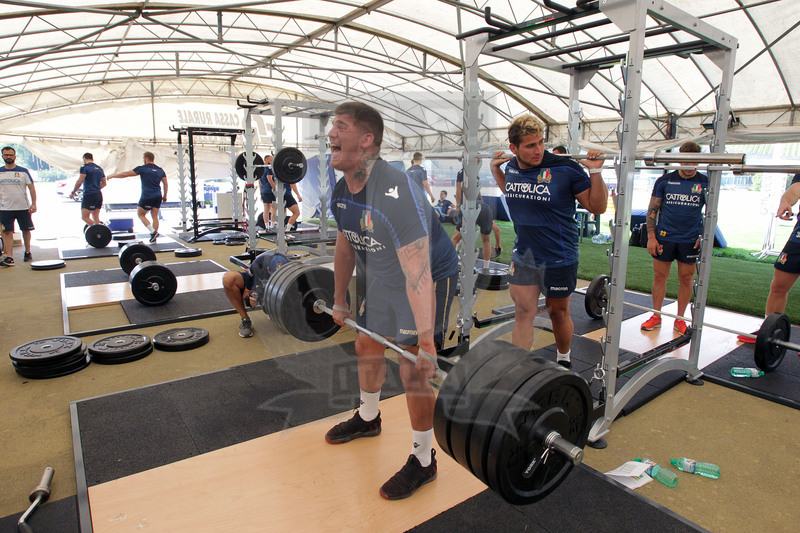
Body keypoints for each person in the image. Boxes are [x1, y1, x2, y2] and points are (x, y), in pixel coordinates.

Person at [326, 102, 459, 500]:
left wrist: (427, 343)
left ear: (367, 141)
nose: (331, 134)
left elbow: (418, 273)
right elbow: (346, 244)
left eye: (341, 127)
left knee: (411, 366)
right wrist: (338, 300)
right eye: (332, 126)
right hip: (384, 276)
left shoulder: (397, 190)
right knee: (365, 342)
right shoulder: (341, 189)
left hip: (426, 277)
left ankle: (423, 459)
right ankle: (369, 417)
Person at [490, 114, 607, 367]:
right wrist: (494, 169)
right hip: (524, 255)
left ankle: (564, 359)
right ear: (514, 148)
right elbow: (511, 189)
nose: (538, 150)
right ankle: (519, 369)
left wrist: (595, 171)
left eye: (540, 143)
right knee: (523, 312)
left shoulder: (565, 168)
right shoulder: (511, 167)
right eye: (530, 145)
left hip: (559, 256)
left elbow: (597, 207)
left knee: (558, 312)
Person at [640, 141, 708, 335]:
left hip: (690, 239)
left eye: (693, 163)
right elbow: (652, 210)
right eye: (685, 162)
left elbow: (712, 212)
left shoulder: (705, 182)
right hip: (664, 237)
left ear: (699, 161)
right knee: (660, 276)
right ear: (679, 159)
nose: (689, 167)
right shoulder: (665, 181)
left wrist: (703, 235)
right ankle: (656, 315)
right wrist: (651, 237)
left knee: (686, 279)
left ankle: (680, 319)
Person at [738, 173, 800, 343]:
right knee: (778, 286)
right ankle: (769, 330)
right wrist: (785, 202)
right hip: (799, 237)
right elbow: (795, 190)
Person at [222, 250, 290, 337]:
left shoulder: (291, 270)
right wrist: (250, 300)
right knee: (229, 278)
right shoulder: (259, 264)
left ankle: (275, 313)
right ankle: (245, 319)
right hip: (263, 290)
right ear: (268, 269)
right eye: (274, 275)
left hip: (277, 295)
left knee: (287, 329)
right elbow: (247, 291)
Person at [107, 152, 168, 243]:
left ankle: (153, 232)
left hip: (147, 196)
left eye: (144, 158)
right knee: (154, 216)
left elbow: (126, 174)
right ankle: (154, 236)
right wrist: (165, 196)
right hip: (158, 196)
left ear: (146, 159)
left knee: (141, 214)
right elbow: (165, 184)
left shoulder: (142, 168)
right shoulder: (160, 170)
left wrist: (113, 175)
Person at [455, 161, 503, 259]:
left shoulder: (475, 174)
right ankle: (486, 266)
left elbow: (477, 189)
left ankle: (452, 260)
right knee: (485, 240)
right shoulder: (462, 172)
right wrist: (458, 204)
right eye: (477, 160)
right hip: (473, 206)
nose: (478, 162)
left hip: (473, 206)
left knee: (457, 238)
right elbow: (459, 189)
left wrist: (480, 200)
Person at [0, 146, 37, 266]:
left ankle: (27, 251)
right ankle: (10, 257)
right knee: (7, 233)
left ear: (15, 156)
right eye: (6, 155)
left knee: (26, 230)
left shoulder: (23, 171)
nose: (8, 157)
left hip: (23, 207)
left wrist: (34, 203)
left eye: (10, 155)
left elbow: (31, 188)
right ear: (2, 156)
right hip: (5, 208)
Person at [451, 200, 495, 269]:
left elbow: (460, 235)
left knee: (455, 238)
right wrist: (498, 243)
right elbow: (497, 230)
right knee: (486, 240)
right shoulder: (485, 207)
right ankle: (486, 267)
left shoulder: (461, 210)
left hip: (470, 208)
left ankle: (450, 262)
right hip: (486, 209)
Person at [70, 153, 106, 226]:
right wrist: (96, 188)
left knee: (85, 217)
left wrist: (73, 192)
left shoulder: (85, 168)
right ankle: (98, 234)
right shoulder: (100, 169)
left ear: (84, 159)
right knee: (96, 217)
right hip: (98, 195)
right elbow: (104, 183)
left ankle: (99, 229)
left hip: (89, 195)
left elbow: (80, 181)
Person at [264, 166, 302, 232]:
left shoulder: (279, 172)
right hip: (286, 194)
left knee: (282, 214)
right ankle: (287, 230)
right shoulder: (288, 173)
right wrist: (298, 195)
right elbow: (293, 185)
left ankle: (281, 231)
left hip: (280, 194)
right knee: (296, 213)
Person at [258, 154, 276, 230]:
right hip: (269, 191)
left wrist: (260, 191)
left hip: (263, 191)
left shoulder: (260, 169)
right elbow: (269, 179)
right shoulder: (268, 169)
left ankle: (267, 227)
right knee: (274, 208)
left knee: (266, 209)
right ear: (266, 160)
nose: (272, 162)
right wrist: (275, 188)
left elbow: (259, 182)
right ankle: (272, 226)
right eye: (271, 160)